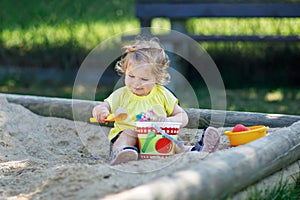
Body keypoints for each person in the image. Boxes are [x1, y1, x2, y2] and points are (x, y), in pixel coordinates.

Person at [92, 37, 220, 165]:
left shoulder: (162, 94)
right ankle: (122, 153)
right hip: (125, 139)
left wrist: (168, 121)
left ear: (157, 77)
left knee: (173, 141)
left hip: (154, 140)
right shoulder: (121, 94)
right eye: (131, 76)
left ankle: (197, 150)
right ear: (125, 71)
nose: (136, 83)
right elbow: (103, 106)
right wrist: (101, 111)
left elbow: (183, 117)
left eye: (144, 79)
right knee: (130, 133)